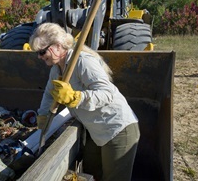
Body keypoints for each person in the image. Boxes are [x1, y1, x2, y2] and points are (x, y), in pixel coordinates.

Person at [29, 22, 140, 181]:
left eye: (42, 51)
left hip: (117, 128)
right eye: (37, 53)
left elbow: (107, 93)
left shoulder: (81, 61)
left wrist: (76, 97)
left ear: (58, 46)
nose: (39, 56)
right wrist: (43, 117)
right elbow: (49, 95)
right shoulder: (56, 69)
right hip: (96, 130)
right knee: (91, 173)